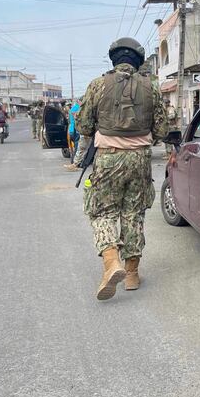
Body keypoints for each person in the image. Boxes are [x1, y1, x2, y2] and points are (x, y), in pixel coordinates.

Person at [76, 37, 167, 301]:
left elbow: (83, 126)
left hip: (108, 158)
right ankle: (132, 274)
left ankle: (110, 262)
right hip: (140, 159)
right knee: (133, 214)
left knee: (102, 211)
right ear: (138, 61)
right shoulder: (152, 87)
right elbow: (161, 130)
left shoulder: (97, 85)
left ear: (113, 59)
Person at [64, 100, 81, 172]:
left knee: (74, 147)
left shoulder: (72, 109)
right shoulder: (79, 109)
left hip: (71, 130)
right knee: (78, 147)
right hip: (76, 130)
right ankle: (75, 164)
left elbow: (70, 121)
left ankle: (73, 162)